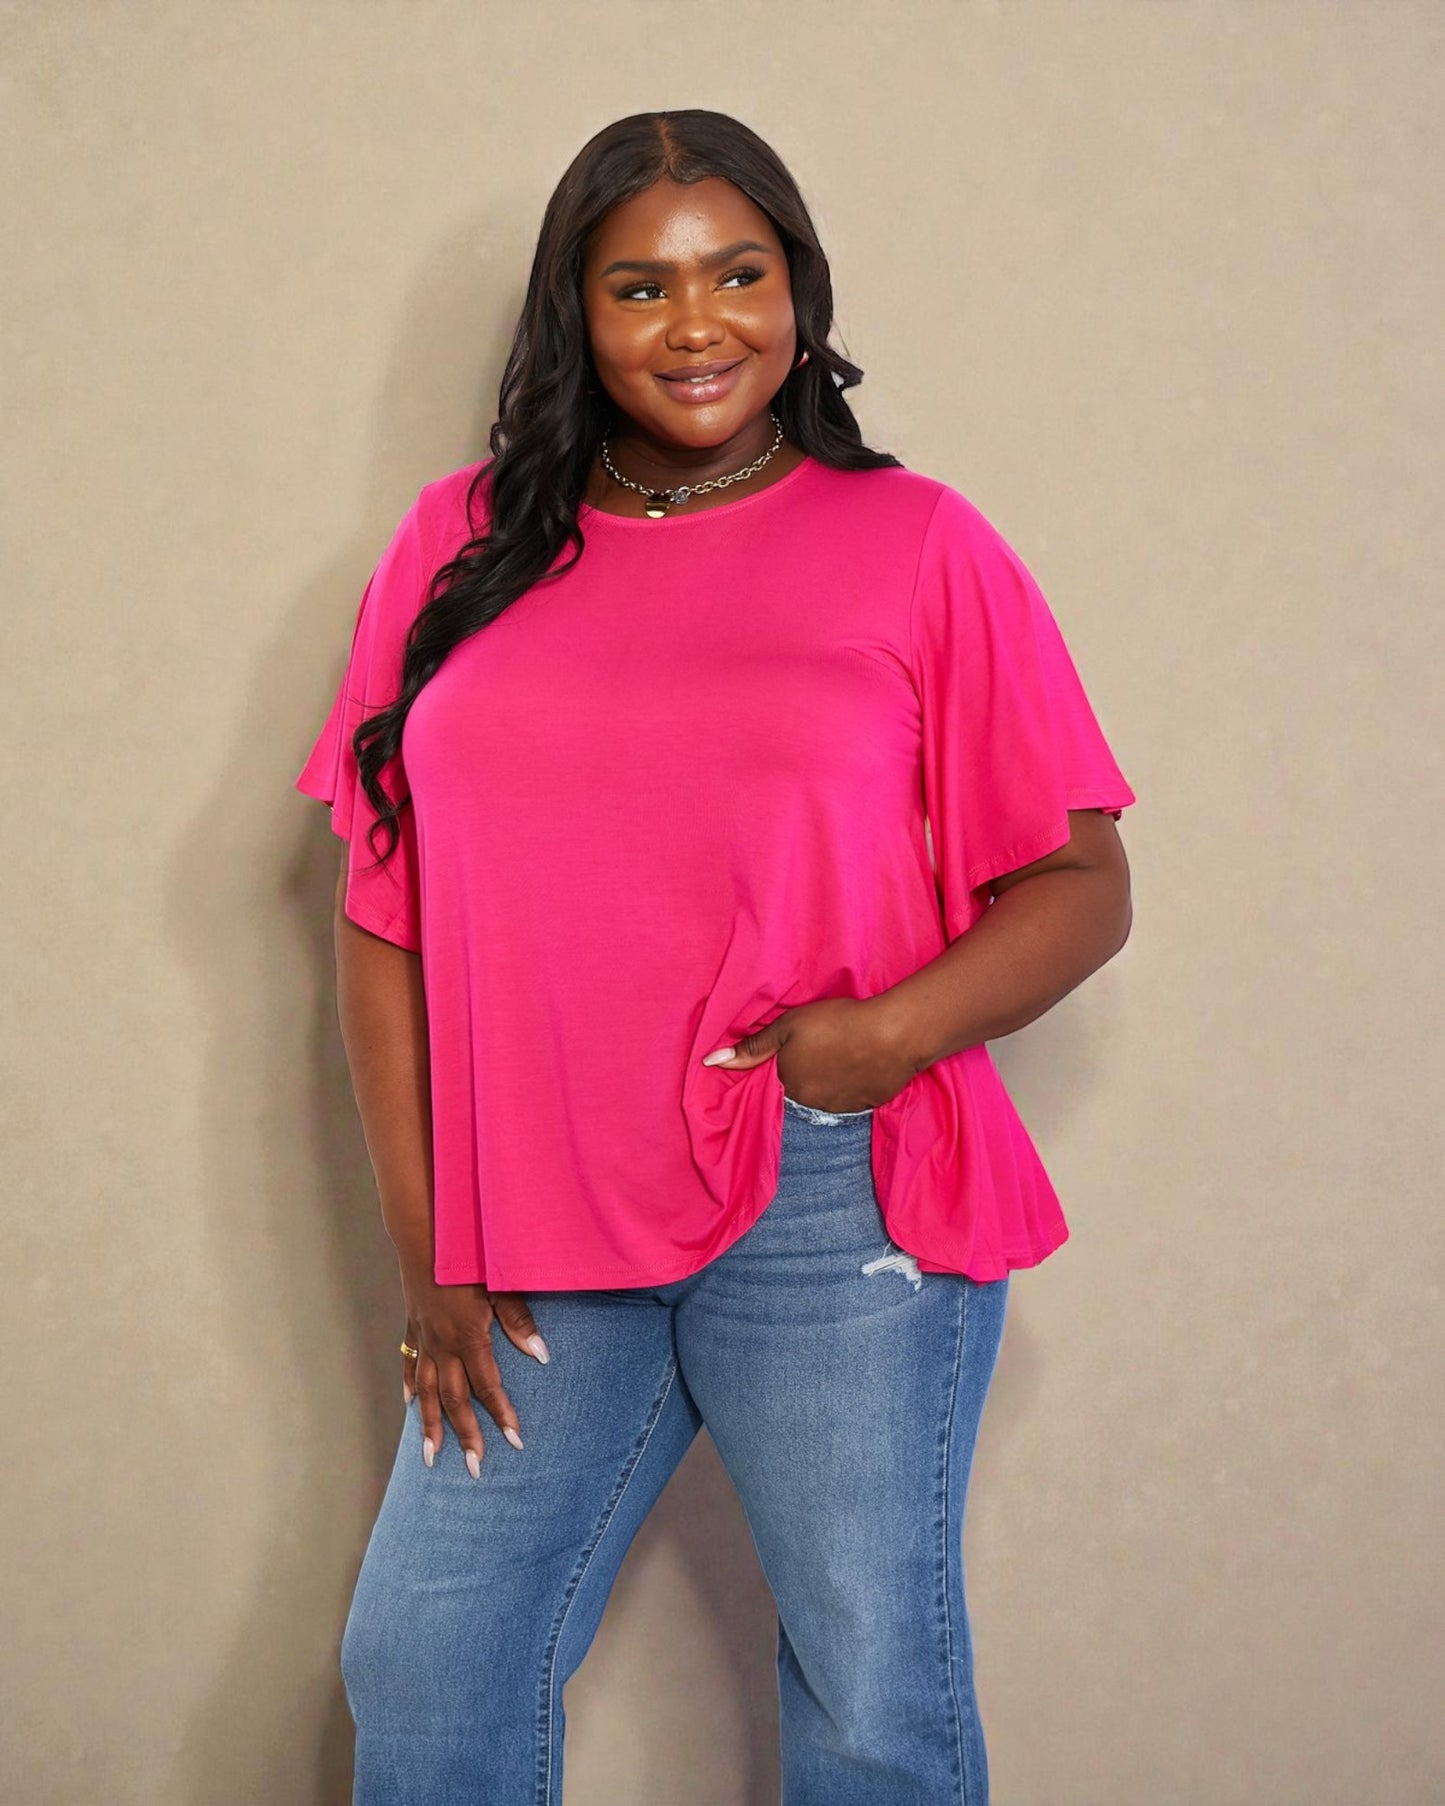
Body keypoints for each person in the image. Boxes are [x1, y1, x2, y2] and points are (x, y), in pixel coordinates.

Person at [295, 108, 1136, 1806]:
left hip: (834, 1205)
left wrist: (883, 1036)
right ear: (576, 317)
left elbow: (1079, 879)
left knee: (870, 1687)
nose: (698, 324)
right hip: (528, 1211)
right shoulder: (458, 546)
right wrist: (427, 1243)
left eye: (737, 272)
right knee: (428, 1661)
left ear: (796, 292)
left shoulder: (916, 545)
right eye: (641, 286)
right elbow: (379, 913)